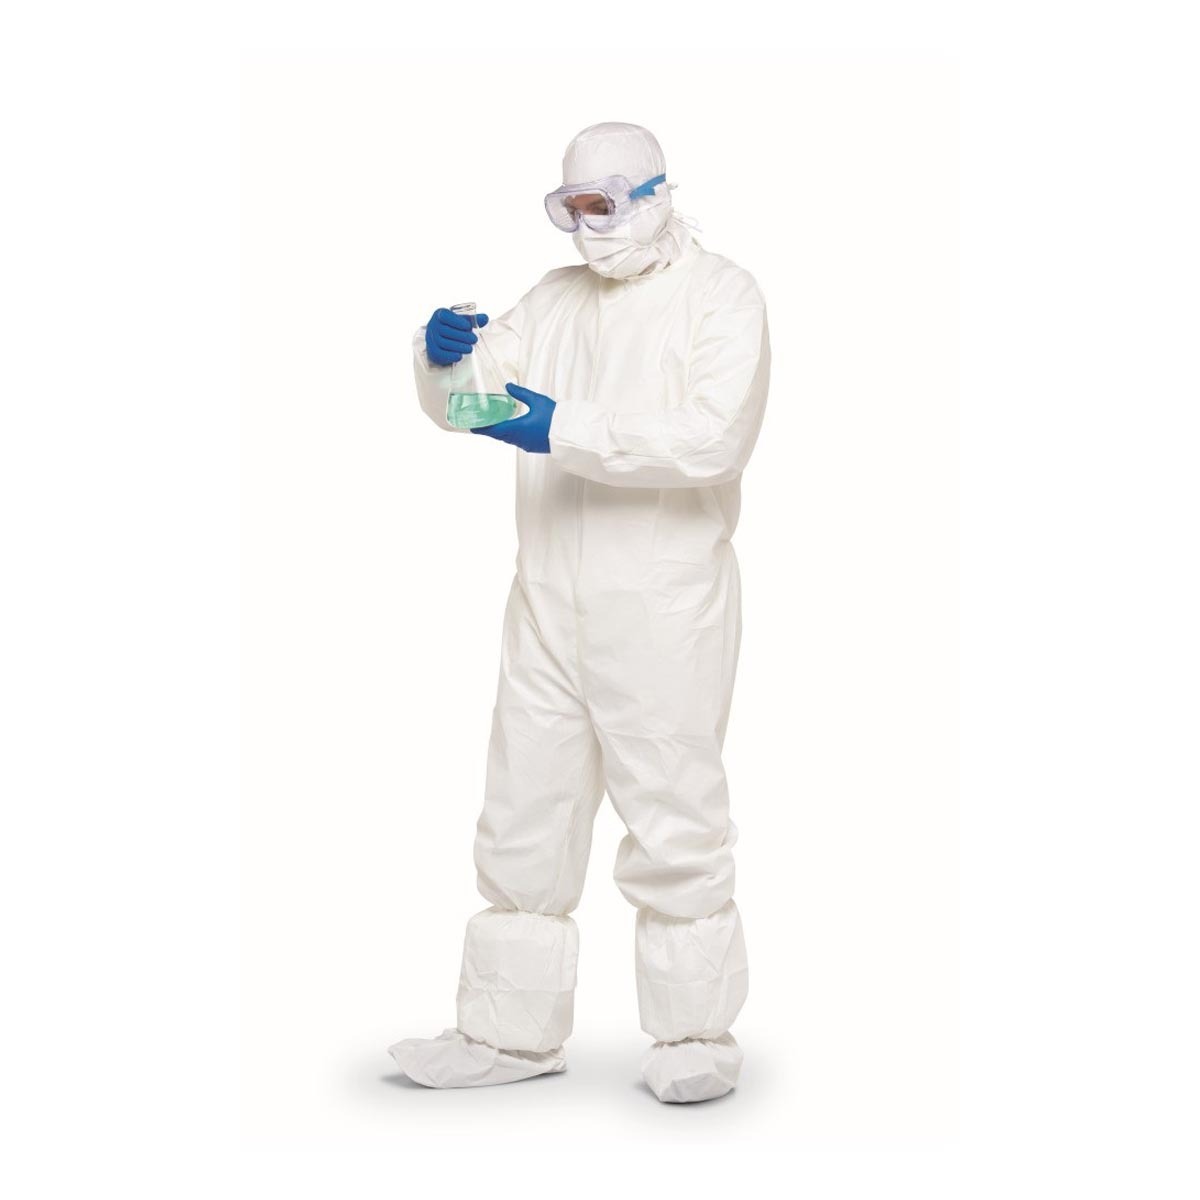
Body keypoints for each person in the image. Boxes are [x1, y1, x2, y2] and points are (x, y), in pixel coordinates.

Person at [390, 122, 770, 1103]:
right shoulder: (554, 299)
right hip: (548, 596)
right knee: (525, 813)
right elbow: (471, 403)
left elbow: (712, 439)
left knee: (674, 818)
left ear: (654, 194)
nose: (588, 226)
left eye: (604, 205)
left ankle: (695, 1037)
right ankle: (508, 1036)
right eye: (573, 208)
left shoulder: (721, 295)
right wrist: (442, 362)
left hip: (664, 602)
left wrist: (563, 426)